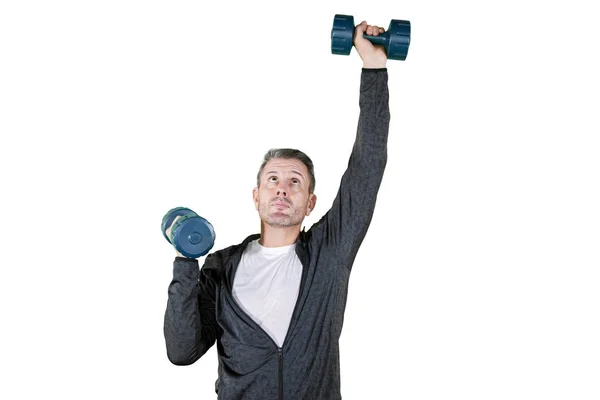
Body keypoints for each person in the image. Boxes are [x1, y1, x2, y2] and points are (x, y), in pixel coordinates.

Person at [164, 20, 391, 400]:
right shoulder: (220, 267)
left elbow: (367, 166)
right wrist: (186, 265)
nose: (282, 188)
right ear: (256, 196)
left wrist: (374, 70)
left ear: (310, 203)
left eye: (295, 182)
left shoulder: (328, 253)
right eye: (273, 180)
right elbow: (181, 351)